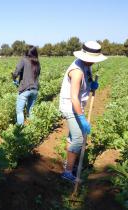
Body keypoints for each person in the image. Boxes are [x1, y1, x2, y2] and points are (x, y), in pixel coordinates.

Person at [59, 41, 107, 182]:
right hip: (71, 106)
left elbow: (86, 83)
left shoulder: (86, 66)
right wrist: (81, 117)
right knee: (79, 139)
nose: (92, 62)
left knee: (73, 137)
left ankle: (69, 165)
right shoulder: (77, 72)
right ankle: (68, 173)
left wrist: (92, 84)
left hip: (77, 105)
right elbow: (74, 98)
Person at [12, 46, 41, 125]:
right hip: (35, 89)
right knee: (30, 110)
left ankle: (20, 130)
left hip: (25, 88)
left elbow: (16, 71)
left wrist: (14, 78)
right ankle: (33, 127)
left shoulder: (24, 60)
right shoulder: (37, 62)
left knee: (19, 110)